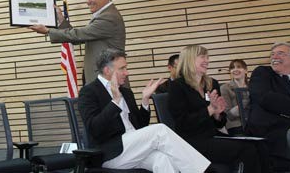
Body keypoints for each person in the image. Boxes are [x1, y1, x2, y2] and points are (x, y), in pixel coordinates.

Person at [78, 48, 211, 173]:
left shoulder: (126, 92)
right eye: (122, 68)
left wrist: (145, 100)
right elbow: (94, 128)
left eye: (126, 68)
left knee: (162, 160)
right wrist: (115, 102)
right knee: (160, 130)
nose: (127, 73)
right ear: (107, 70)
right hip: (111, 153)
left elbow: (140, 126)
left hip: (134, 148)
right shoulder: (89, 92)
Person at [167, 45, 270, 173]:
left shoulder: (212, 83)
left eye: (207, 57)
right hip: (191, 141)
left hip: (212, 135)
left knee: (261, 145)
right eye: (202, 57)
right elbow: (183, 123)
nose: (207, 60)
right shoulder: (177, 86)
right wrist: (210, 110)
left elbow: (221, 123)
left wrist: (217, 114)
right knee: (248, 150)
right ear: (189, 59)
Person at [29, 0, 126, 84]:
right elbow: (79, 37)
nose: (88, 1)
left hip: (110, 83)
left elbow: (78, 35)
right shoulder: (105, 15)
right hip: (103, 81)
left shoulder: (109, 17)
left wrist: (48, 31)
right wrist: (61, 19)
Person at [246, 42, 290, 162]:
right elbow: (265, 98)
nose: (274, 57)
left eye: (280, 53)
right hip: (272, 129)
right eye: (272, 54)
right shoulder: (263, 72)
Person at [220, 59, 250, 136]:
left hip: (254, 124)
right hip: (236, 127)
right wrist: (248, 99)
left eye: (239, 67)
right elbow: (229, 115)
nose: (235, 70)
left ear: (246, 71)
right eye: (232, 68)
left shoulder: (253, 86)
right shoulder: (225, 88)